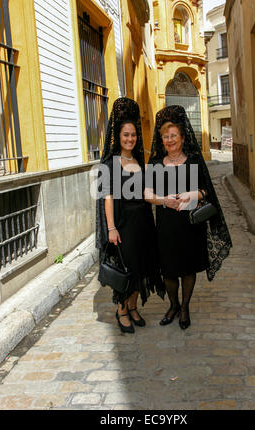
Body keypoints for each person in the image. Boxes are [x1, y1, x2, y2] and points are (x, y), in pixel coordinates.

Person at [144, 105, 232, 330]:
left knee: (188, 268)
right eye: (166, 136)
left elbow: (207, 192)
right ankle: (173, 305)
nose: (170, 140)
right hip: (166, 224)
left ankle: (185, 307)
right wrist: (164, 200)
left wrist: (193, 194)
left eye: (174, 136)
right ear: (161, 139)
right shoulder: (155, 163)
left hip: (191, 225)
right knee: (168, 268)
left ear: (183, 138)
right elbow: (147, 194)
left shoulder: (193, 161)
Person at [95, 97, 165, 334]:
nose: (130, 139)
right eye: (126, 135)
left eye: (133, 135)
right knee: (128, 268)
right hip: (123, 224)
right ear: (118, 135)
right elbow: (107, 197)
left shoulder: (138, 160)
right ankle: (122, 310)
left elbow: (146, 193)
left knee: (142, 267)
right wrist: (111, 228)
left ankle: (134, 308)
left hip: (143, 222)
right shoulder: (109, 163)